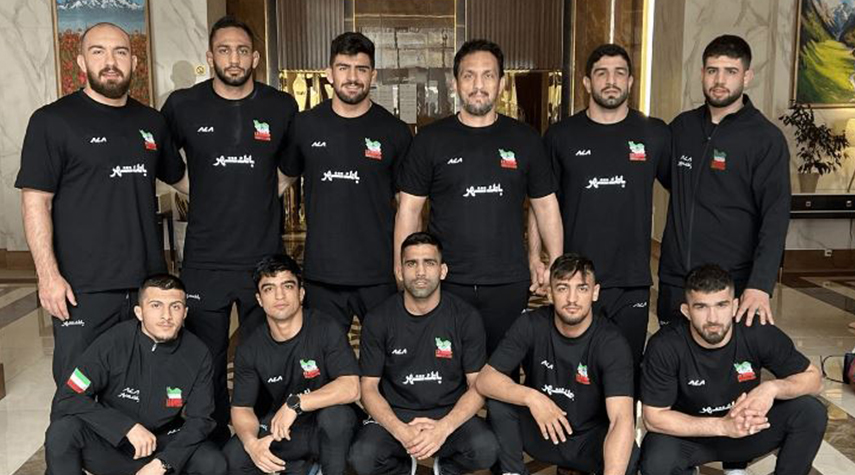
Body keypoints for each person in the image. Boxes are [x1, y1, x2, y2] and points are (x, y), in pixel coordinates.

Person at [15, 22, 186, 385]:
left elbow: (184, 180)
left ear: (134, 62)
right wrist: (48, 276)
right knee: (79, 389)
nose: (110, 61)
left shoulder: (152, 122)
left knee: (142, 385)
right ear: (81, 61)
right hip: (82, 287)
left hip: (145, 285)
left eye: (120, 52)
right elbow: (36, 203)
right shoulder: (52, 121)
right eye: (98, 52)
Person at [160, 15, 299, 443]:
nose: (233, 59)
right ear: (210, 56)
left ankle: (263, 433)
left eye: (241, 50)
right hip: (205, 258)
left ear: (255, 57)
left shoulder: (280, 106)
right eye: (224, 50)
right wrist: (204, 192)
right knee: (207, 356)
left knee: (263, 355)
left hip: (262, 258)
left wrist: (259, 194)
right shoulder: (183, 105)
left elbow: (289, 169)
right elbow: (165, 162)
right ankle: (214, 435)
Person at [395, 39, 563, 358]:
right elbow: (409, 210)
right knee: (446, 368)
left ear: (501, 83)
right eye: (469, 75)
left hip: (508, 281)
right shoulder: (430, 140)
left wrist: (555, 264)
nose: (478, 85)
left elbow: (545, 206)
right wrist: (402, 269)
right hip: (446, 279)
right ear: (455, 82)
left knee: (502, 368)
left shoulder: (526, 140)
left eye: (488, 75)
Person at [532, 43, 670, 382]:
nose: (611, 81)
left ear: (631, 81)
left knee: (625, 371)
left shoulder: (654, 134)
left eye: (619, 73)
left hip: (632, 280)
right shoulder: (561, 136)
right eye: (601, 73)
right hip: (576, 280)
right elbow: (540, 203)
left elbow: (685, 195)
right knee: (575, 372)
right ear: (586, 82)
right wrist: (537, 258)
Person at [281, 32, 412, 335]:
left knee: (387, 356)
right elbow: (281, 181)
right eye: (343, 68)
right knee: (323, 359)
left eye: (361, 69)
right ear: (329, 73)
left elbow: (408, 206)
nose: (352, 78)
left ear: (373, 75)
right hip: (322, 274)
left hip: (378, 274)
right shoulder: (305, 125)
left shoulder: (395, 131)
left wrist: (403, 265)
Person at [640, 264, 826, 475]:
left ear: (735, 306)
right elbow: (654, 418)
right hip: (692, 435)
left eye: (721, 305)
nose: (713, 318)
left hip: (747, 428)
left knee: (810, 411)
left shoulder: (756, 331)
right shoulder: (665, 345)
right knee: (656, 462)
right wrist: (722, 426)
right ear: (687, 311)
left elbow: (814, 380)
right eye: (701, 307)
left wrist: (772, 388)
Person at [658, 34, 790, 329]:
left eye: (730, 71)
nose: (719, 80)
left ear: (747, 77)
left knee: (727, 357)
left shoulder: (765, 139)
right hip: (676, 280)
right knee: (671, 354)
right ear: (701, 73)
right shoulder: (682, 127)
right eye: (712, 70)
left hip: (732, 284)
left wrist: (760, 284)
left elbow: (776, 216)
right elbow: (672, 180)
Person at [45, 274, 224, 475]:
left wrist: (164, 463)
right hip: (112, 441)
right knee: (62, 432)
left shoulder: (198, 353)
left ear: (185, 313)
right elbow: (68, 396)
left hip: (162, 446)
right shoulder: (113, 342)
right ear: (139, 312)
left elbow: (201, 419)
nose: (166, 316)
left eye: (175, 307)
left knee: (212, 462)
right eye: (156, 305)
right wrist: (127, 427)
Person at [349, 232, 497, 475]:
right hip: (396, 413)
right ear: (400, 272)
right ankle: (403, 468)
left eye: (429, 263)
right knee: (362, 458)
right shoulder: (378, 319)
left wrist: (444, 428)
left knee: (486, 449)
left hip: (449, 411)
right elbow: (368, 388)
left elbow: (477, 386)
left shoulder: (466, 317)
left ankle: (445, 468)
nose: (420, 272)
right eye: (411, 264)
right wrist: (400, 430)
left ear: (442, 270)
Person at [476, 253, 638, 475]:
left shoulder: (611, 343)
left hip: (588, 441)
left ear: (595, 292)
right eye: (562, 288)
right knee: (499, 403)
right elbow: (485, 380)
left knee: (629, 453)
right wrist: (533, 398)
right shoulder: (531, 324)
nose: (572, 299)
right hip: (542, 430)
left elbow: (621, 419)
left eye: (582, 288)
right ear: (550, 294)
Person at [223, 254, 360, 475]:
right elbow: (242, 408)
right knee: (234, 456)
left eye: (287, 286)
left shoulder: (326, 327)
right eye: (269, 289)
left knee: (336, 418)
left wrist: (295, 404)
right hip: (288, 427)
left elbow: (351, 387)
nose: (279, 295)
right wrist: (251, 444)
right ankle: (304, 468)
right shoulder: (250, 347)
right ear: (259, 299)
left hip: (330, 426)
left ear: (301, 293)